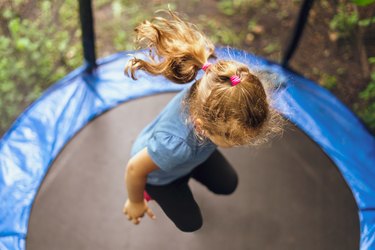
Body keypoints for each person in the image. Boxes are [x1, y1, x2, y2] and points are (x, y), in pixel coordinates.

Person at [122, 10, 283, 232]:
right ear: (201, 126)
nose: (238, 144)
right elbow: (134, 169)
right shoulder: (174, 146)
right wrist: (136, 201)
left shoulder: (223, 91)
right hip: (160, 175)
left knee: (228, 184)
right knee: (191, 224)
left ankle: (189, 171)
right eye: (233, 139)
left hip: (192, 156)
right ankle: (154, 190)